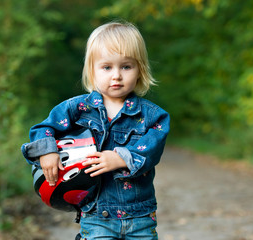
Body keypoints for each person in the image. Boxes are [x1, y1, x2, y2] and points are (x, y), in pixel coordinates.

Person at [21, 21, 170, 239]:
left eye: (126, 66)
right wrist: (48, 151)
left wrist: (121, 158)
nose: (116, 75)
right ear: (92, 70)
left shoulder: (153, 116)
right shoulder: (77, 108)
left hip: (140, 215)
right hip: (96, 214)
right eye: (107, 67)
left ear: (140, 70)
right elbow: (44, 128)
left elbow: (153, 147)